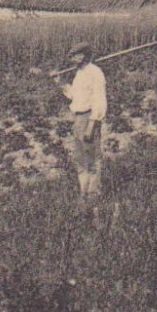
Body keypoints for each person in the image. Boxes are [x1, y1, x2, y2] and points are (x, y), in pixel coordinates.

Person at [60, 43, 107, 197]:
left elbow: (99, 101)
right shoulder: (79, 73)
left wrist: (92, 125)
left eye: (74, 55)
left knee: (92, 158)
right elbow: (74, 95)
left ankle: (93, 193)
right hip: (78, 118)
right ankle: (83, 193)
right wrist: (59, 82)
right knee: (81, 159)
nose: (72, 59)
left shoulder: (95, 73)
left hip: (89, 118)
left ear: (82, 56)